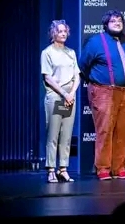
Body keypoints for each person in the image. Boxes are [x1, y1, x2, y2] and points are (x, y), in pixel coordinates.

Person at [79, 10, 125, 181]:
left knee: (124, 131)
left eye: (120, 20)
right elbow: (82, 65)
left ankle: (119, 167)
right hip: (104, 91)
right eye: (113, 21)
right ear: (105, 24)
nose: (117, 23)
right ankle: (103, 168)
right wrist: (96, 82)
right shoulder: (95, 42)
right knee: (105, 130)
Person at [41, 20, 80, 183]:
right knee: (53, 134)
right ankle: (51, 169)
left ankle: (63, 168)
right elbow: (48, 77)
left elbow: (77, 75)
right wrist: (64, 93)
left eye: (65, 31)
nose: (63, 34)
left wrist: (71, 93)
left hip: (69, 98)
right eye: (60, 31)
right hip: (56, 96)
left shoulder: (71, 52)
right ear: (53, 33)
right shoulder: (47, 52)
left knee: (66, 134)